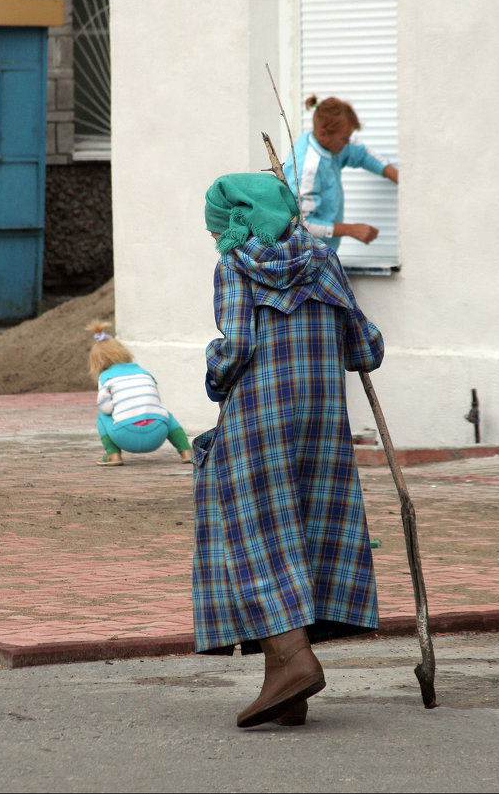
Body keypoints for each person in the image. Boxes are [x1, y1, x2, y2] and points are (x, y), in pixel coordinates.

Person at [192, 173, 385, 729]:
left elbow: (237, 348)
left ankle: (295, 659)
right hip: (322, 425)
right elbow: (365, 347)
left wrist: (212, 370)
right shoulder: (324, 259)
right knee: (303, 528)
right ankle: (285, 685)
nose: (216, 239)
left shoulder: (234, 267)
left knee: (250, 531)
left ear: (237, 222)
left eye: (217, 228)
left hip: (258, 420)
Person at [283, 94, 398, 252]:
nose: (347, 144)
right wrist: (351, 230)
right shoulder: (308, 168)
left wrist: (400, 179)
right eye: (344, 139)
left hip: (326, 252)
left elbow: (361, 154)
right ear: (324, 133)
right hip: (307, 258)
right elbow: (300, 223)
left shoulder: (329, 145)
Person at [86, 321, 191, 467]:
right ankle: (186, 452)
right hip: (157, 433)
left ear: (97, 362)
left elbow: (106, 408)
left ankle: (113, 455)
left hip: (125, 435)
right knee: (165, 413)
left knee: (102, 416)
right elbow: (154, 401)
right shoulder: (144, 373)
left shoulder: (106, 378)